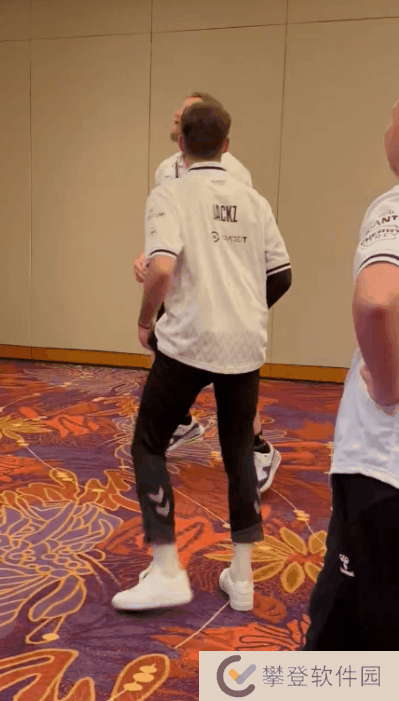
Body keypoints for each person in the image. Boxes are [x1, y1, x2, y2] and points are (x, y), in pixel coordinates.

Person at [112, 100, 291, 612]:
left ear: (181, 144)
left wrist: (146, 319)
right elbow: (281, 275)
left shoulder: (169, 193)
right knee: (238, 454)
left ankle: (166, 568)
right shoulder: (255, 201)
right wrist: (242, 311)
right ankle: (243, 579)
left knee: (149, 444)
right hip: (244, 345)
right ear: (226, 145)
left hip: (188, 340)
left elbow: (161, 268)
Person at [134, 92, 281, 494]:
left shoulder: (235, 174)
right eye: (180, 114)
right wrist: (147, 257)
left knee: (228, 375)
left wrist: (241, 307)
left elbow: (235, 239)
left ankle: (257, 446)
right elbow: (168, 234)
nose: (180, 118)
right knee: (170, 353)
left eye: (188, 113)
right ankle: (182, 422)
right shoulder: (166, 171)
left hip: (220, 296)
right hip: (184, 291)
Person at [304, 97, 399, 651]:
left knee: (346, 631)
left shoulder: (393, 205)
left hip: (384, 468)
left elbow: (376, 302)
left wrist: (387, 387)